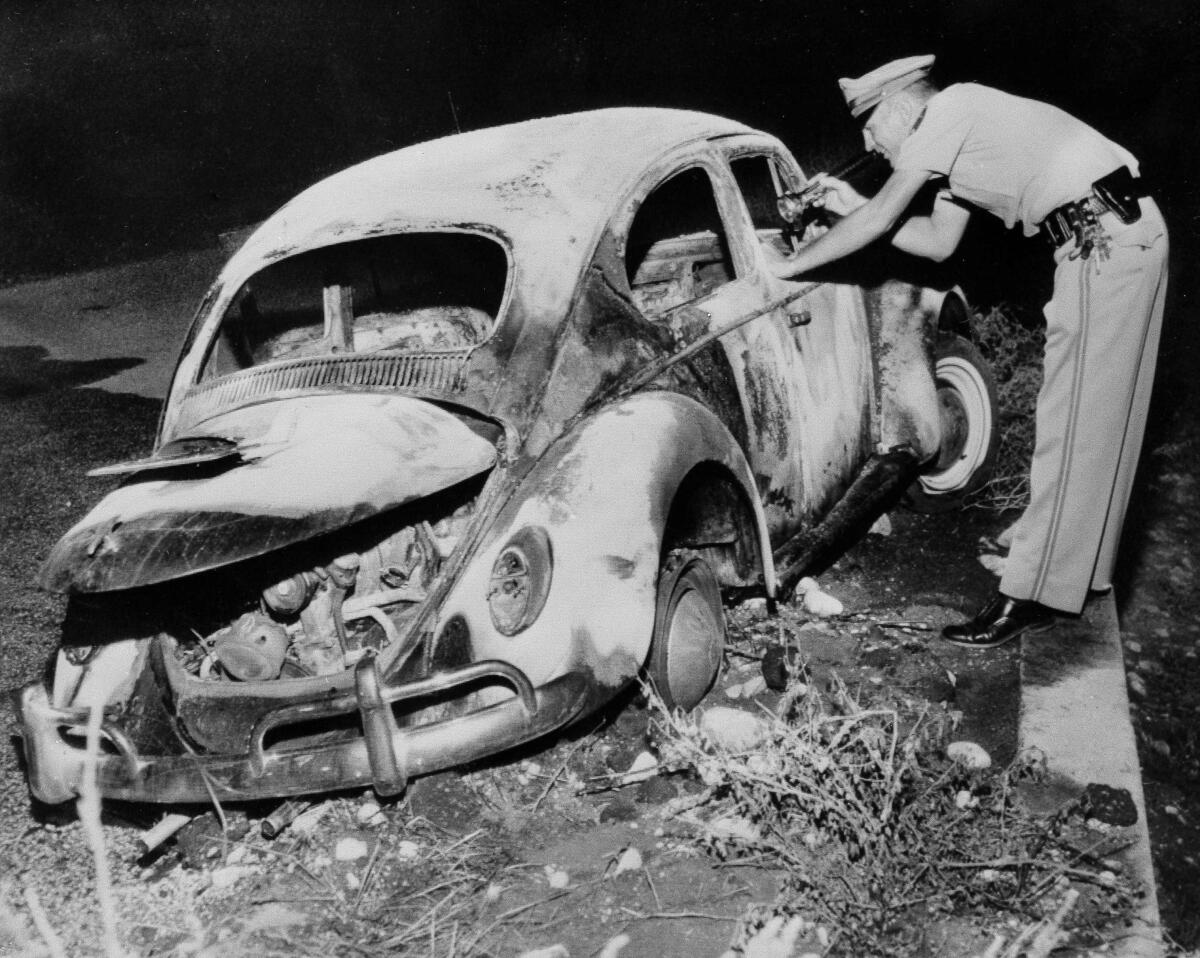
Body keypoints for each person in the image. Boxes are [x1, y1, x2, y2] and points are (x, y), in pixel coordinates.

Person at [774, 55, 1168, 648]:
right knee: (1104, 416)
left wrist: (789, 267)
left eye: (871, 123)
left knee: (1074, 418)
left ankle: (1030, 595)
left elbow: (885, 216)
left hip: (1101, 241)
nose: (868, 141)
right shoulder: (958, 140)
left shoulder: (949, 109)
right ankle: (1071, 564)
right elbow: (935, 244)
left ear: (903, 102)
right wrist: (850, 204)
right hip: (1124, 232)